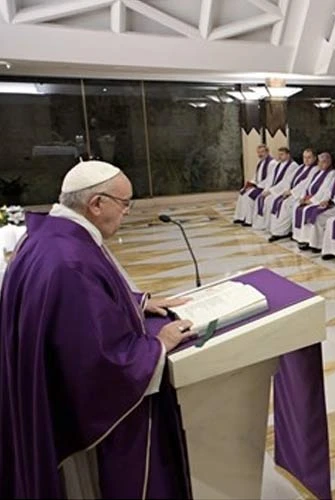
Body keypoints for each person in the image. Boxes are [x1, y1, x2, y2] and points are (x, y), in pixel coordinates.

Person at [0, 161, 194, 497]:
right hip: (74, 425)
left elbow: (77, 307)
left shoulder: (55, 236)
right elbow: (97, 362)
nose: (127, 212)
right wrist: (157, 346)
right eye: (125, 203)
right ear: (96, 204)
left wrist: (134, 301)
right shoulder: (69, 259)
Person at [294, 156, 335, 252]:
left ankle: (318, 245)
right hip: (331, 204)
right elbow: (329, 191)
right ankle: (312, 242)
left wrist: (331, 202)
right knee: (313, 212)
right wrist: (325, 200)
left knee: (319, 218)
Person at [291, 153, 335, 248]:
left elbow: (325, 189)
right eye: (319, 162)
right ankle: (300, 237)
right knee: (297, 207)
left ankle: (309, 240)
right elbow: (307, 185)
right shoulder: (317, 172)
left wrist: (311, 200)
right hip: (311, 198)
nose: (320, 164)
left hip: (319, 200)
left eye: (323, 162)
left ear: (329, 163)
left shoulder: (332, 173)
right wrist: (303, 197)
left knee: (308, 211)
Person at [267, 148, 317, 241]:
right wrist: (286, 190)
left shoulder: (315, 169)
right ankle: (276, 229)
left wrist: (292, 192)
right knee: (276, 201)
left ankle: (282, 232)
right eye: (304, 157)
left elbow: (305, 183)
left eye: (309, 157)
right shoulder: (301, 167)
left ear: (314, 158)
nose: (306, 160)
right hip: (292, 192)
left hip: (300, 194)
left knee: (287, 205)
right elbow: (288, 179)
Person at [250, 148, 298, 231]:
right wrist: (266, 189)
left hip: (281, 191)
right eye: (279, 154)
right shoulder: (278, 164)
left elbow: (285, 182)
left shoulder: (293, 166)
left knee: (269, 201)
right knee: (260, 198)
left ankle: (271, 226)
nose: (279, 156)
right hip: (273, 190)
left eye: (282, 154)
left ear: (288, 155)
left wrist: (271, 191)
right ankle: (262, 224)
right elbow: (270, 179)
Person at [233, 144, 274, 225]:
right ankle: (241, 217)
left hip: (265, 187)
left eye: (262, 152)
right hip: (258, 185)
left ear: (267, 152)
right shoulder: (260, 162)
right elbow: (256, 176)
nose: (260, 154)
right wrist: (251, 183)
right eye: (258, 152)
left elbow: (270, 179)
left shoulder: (272, 163)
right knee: (242, 192)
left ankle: (249, 220)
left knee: (249, 196)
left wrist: (257, 186)